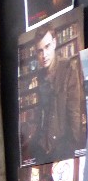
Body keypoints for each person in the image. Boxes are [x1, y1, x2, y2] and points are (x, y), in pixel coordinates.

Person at [27, 26, 87, 162]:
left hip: (62, 146)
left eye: (47, 47)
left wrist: (73, 149)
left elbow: (74, 113)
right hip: (43, 145)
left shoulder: (68, 68)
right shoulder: (40, 75)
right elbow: (42, 112)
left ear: (54, 43)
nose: (44, 55)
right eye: (40, 51)